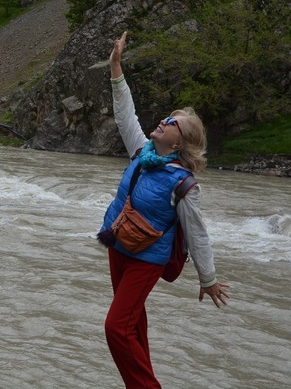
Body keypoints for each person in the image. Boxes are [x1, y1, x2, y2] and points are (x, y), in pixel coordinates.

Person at [98, 31, 230, 389]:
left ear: (181, 142)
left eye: (175, 124)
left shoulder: (184, 184)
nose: (166, 122)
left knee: (115, 327)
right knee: (132, 324)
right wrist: (116, 66)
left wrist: (209, 279)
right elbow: (126, 114)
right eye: (169, 119)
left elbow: (198, 232)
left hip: (146, 260)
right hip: (119, 246)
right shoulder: (143, 152)